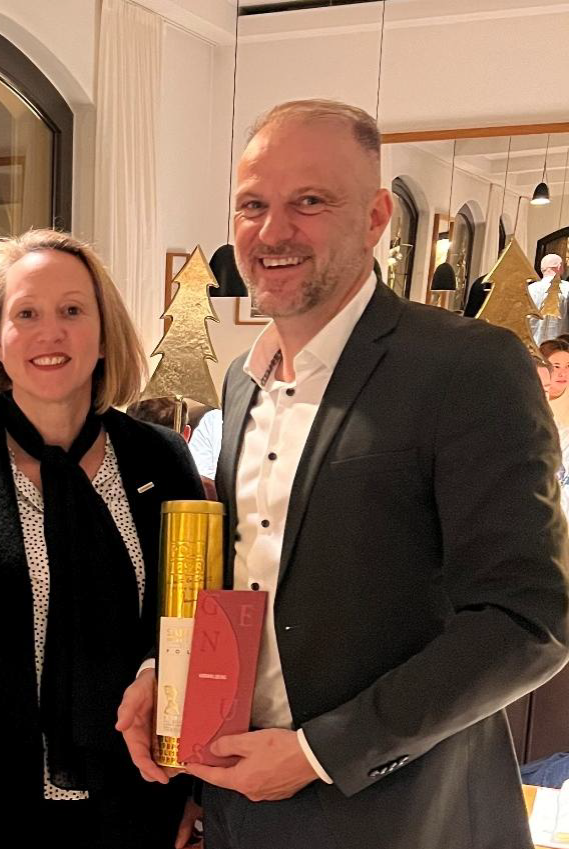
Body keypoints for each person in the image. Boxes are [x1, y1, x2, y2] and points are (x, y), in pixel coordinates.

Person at [116, 98, 569, 849]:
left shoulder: (466, 367)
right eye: (252, 205)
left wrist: (317, 753)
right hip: (239, 804)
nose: (272, 231)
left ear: (375, 217)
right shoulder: (241, 379)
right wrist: (166, 675)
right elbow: (251, 580)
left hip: (402, 813)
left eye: (309, 202)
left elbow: (527, 621)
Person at [0, 229, 203, 849]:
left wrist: (192, 791)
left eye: (72, 311)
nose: (50, 333)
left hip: (143, 799)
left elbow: (192, 624)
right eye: (26, 314)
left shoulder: (160, 461)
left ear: (103, 336)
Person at [530, 253, 567, 344]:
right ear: (559, 267)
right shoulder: (567, 289)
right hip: (560, 347)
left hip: (532, 345)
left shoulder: (529, 289)